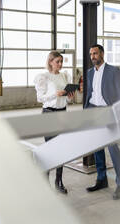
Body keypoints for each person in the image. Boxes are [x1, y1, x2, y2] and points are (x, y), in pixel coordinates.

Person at [84, 44, 120, 200]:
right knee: (97, 148)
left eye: (95, 53)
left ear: (102, 54)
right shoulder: (89, 73)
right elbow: (90, 94)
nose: (93, 56)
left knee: (113, 148)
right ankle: (101, 180)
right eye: (91, 54)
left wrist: (119, 115)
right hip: (94, 112)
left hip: (109, 112)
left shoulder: (113, 71)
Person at [34, 51, 74, 194]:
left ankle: (59, 181)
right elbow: (40, 98)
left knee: (61, 149)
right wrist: (54, 94)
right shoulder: (44, 77)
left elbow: (68, 100)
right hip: (49, 114)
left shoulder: (64, 76)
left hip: (62, 113)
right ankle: (45, 181)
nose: (60, 64)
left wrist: (69, 96)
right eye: (57, 61)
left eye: (61, 61)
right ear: (50, 62)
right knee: (50, 149)